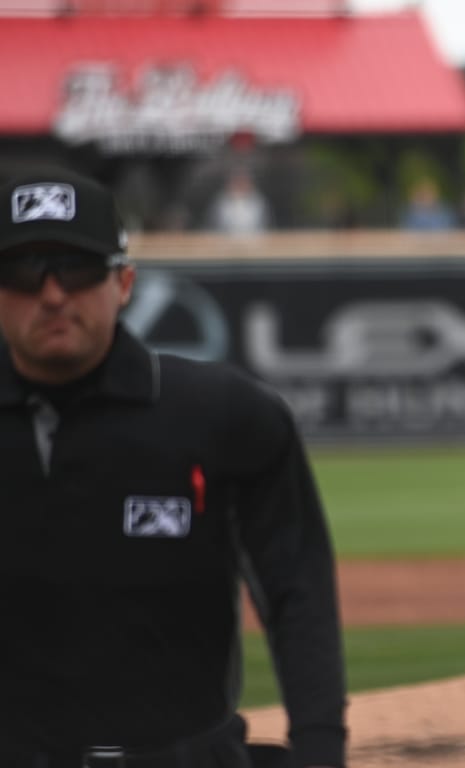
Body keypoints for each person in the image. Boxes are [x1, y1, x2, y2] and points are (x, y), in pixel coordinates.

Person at [0, 167, 347, 767]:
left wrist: (319, 749)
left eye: (77, 269)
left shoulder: (224, 413)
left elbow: (298, 591)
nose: (52, 294)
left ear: (125, 282)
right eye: (23, 273)